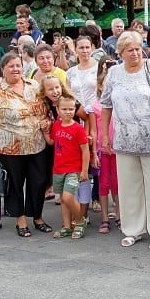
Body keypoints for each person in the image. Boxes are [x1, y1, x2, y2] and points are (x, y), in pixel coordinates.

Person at [100, 31, 150, 249]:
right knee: (129, 188)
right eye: (130, 50)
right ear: (120, 53)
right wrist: (105, 135)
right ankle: (133, 230)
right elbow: (106, 105)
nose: (135, 53)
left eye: (138, 48)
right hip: (125, 139)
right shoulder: (114, 73)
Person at [0, 52, 52, 237]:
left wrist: (46, 122)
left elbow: (45, 110)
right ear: (3, 69)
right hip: (9, 147)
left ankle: (37, 216)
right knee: (14, 184)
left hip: (37, 144)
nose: (15, 69)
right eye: (11, 66)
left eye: (18, 65)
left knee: (38, 182)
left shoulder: (35, 86)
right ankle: (20, 219)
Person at [46, 94, 90, 239]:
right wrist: (44, 131)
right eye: (64, 109)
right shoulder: (57, 125)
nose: (68, 112)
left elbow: (85, 151)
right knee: (63, 200)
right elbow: (52, 142)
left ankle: (79, 221)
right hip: (58, 169)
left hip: (73, 169)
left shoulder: (78, 129)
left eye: (71, 109)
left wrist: (84, 170)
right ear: (57, 110)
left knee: (68, 197)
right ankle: (67, 226)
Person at [91, 58, 120, 233]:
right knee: (103, 184)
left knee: (117, 184)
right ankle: (104, 217)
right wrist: (94, 152)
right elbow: (94, 132)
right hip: (103, 151)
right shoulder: (95, 106)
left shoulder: (119, 104)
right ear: (101, 86)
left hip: (118, 150)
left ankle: (118, 215)